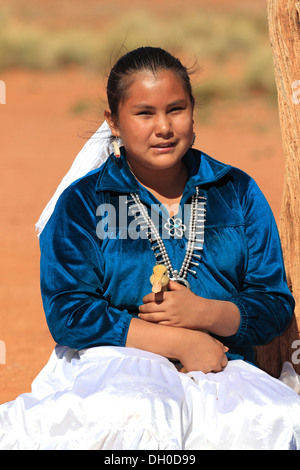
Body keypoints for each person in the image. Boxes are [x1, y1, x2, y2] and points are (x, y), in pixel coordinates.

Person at [0, 46, 300, 450]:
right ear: (115, 122)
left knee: (275, 422)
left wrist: (207, 313)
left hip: (223, 364)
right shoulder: (84, 202)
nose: (164, 127)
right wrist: (179, 342)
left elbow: (274, 302)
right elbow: (69, 313)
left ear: (194, 112)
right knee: (137, 416)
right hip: (115, 366)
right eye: (144, 113)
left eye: (176, 109)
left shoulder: (237, 191)